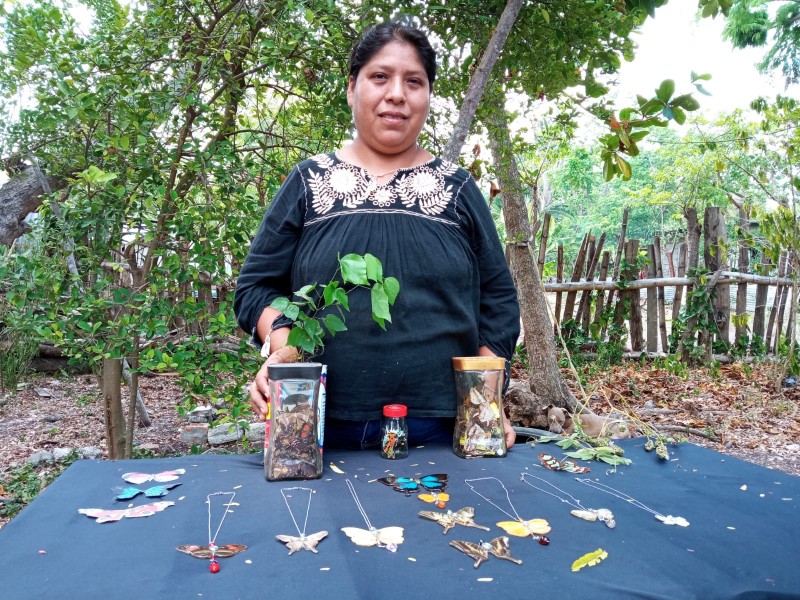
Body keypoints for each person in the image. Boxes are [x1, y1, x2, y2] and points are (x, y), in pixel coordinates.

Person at [234, 21, 520, 450]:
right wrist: (285, 346)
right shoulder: (309, 183)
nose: (397, 94)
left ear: (427, 96)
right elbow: (255, 288)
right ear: (352, 88)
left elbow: (498, 298)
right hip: (315, 432)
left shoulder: (457, 189)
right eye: (380, 77)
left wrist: (486, 401)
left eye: (414, 82)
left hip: (445, 431)